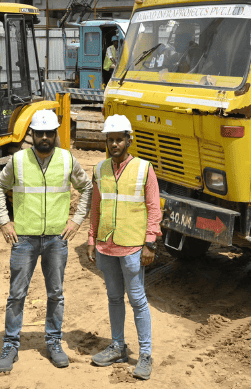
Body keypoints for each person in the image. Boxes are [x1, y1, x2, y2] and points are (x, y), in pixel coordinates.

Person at [0, 109, 93, 373]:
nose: (45, 137)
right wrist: (4, 220)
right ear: (32, 135)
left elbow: (87, 188)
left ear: (55, 134)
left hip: (56, 239)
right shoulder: (18, 160)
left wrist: (77, 220)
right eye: (40, 133)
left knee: (55, 294)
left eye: (49, 133)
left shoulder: (67, 159)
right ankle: (11, 344)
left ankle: (54, 341)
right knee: (16, 294)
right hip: (23, 238)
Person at [87, 115, 162, 381]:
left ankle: (145, 354)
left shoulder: (144, 169)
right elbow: (96, 207)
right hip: (106, 246)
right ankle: (118, 346)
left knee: (138, 301)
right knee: (114, 298)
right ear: (106, 141)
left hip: (132, 247)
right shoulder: (99, 169)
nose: (115, 144)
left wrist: (150, 243)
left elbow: (154, 208)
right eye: (110, 139)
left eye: (119, 139)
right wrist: (92, 239)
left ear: (129, 140)